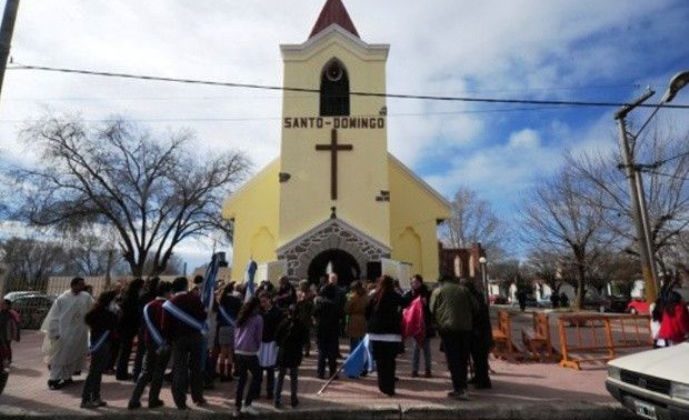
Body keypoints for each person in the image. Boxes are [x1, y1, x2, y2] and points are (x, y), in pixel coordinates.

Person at [161, 277, 207, 410]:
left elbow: (165, 326)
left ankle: (180, 401)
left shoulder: (170, 303)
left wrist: (169, 340)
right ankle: (197, 396)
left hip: (178, 339)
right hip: (195, 337)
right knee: (196, 368)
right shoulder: (194, 298)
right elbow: (203, 316)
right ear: (185, 286)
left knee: (180, 369)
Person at [41, 277, 93, 390]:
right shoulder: (62, 299)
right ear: (73, 285)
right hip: (64, 333)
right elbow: (54, 317)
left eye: (83, 285)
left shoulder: (86, 297)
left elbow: (93, 309)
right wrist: (54, 332)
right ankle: (53, 379)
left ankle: (67, 376)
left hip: (79, 333)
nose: (82, 287)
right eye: (80, 285)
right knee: (59, 357)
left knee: (73, 355)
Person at [431, 275, 478, 400]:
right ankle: (463, 387)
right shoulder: (464, 290)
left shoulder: (438, 291)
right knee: (463, 358)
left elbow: (431, 309)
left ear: (441, 282)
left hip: (448, 330)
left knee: (453, 360)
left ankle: (459, 389)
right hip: (465, 329)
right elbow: (476, 307)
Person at [129, 281, 173, 410]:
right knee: (159, 372)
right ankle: (153, 399)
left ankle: (134, 399)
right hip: (163, 344)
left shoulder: (148, 306)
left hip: (149, 343)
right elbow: (168, 326)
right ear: (166, 292)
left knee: (145, 372)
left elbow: (143, 326)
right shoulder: (167, 306)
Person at [366, 275, 404, 396]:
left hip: (376, 333)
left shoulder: (375, 296)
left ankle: (383, 386)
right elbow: (406, 302)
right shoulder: (394, 295)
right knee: (390, 361)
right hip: (391, 334)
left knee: (380, 361)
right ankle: (390, 388)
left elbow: (367, 311)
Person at [80, 290, 118, 408]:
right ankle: (86, 399)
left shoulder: (94, 312)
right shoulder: (108, 314)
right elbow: (113, 327)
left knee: (96, 372)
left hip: (96, 342)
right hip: (102, 344)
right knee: (94, 372)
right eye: (115, 300)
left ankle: (95, 397)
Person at [273, 304, 308, 409]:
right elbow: (305, 340)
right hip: (295, 354)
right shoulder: (301, 325)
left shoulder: (283, 323)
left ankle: (277, 399)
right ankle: (293, 399)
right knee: (294, 378)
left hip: (283, 353)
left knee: (280, 377)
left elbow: (276, 338)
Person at [234, 297, 264, 416]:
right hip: (250, 351)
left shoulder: (241, 316)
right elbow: (258, 336)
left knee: (242, 379)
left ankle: (237, 407)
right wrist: (257, 347)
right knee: (257, 376)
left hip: (238, 350)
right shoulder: (258, 318)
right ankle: (247, 404)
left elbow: (236, 333)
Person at [463, 279, 493, 389]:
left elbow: (477, 315)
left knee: (480, 358)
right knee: (477, 358)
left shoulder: (475, 298)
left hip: (480, 333)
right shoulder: (476, 296)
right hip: (478, 332)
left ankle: (484, 381)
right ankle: (478, 377)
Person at [403, 274, 434, 378]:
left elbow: (432, 307)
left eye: (416, 282)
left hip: (425, 323)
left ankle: (428, 369)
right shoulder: (410, 294)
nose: (414, 284)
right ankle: (414, 370)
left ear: (421, 282)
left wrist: (426, 304)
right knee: (415, 348)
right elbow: (404, 304)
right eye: (412, 282)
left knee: (426, 349)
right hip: (415, 324)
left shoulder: (427, 293)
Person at [116, 278, 144, 381]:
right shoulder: (133, 298)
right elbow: (133, 314)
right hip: (128, 327)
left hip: (125, 327)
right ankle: (121, 373)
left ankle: (121, 372)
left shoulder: (128, 296)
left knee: (125, 351)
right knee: (125, 351)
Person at [132, 277, 160, 381]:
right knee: (146, 353)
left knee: (142, 352)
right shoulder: (152, 298)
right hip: (150, 328)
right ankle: (144, 374)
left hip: (144, 327)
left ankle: (138, 374)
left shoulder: (144, 296)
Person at [313, 282, 341, 379]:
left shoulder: (320, 304)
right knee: (332, 353)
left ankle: (320, 373)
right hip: (333, 330)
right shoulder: (335, 305)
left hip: (321, 330)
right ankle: (333, 373)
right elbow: (340, 317)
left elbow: (314, 315)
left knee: (322, 352)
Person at [258, 291, 282, 400]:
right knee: (258, 369)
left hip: (271, 342)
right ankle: (256, 391)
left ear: (269, 300)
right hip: (260, 343)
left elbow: (279, 327)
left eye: (264, 301)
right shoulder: (258, 312)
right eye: (261, 302)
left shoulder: (277, 312)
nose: (263, 304)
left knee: (270, 369)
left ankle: (269, 391)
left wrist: (277, 341)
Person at [217, 282, 242, 382]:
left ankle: (222, 375)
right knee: (231, 352)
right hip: (232, 327)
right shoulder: (236, 300)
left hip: (222, 327)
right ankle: (228, 374)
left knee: (222, 353)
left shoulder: (221, 300)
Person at [345, 281, 368, 359]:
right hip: (363, 319)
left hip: (353, 320)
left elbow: (347, 309)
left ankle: (353, 357)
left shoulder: (352, 297)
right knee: (362, 340)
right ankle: (362, 357)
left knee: (354, 341)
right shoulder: (366, 296)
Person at [295, 280, 314, 357]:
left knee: (306, 335)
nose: (301, 287)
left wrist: (305, 300)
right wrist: (299, 300)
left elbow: (312, 306)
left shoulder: (311, 294)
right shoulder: (298, 293)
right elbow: (296, 304)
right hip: (299, 317)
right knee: (299, 335)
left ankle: (307, 350)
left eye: (302, 285)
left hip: (307, 317)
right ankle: (299, 349)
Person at [0, 299, 20, 369]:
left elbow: (16, 325)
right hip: (2, 334)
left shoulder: (10, 314)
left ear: (8, 305)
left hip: (6, 335)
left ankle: (7, 361)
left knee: (6, 347)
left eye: (3, 304)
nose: (1, 305)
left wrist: (16, 336)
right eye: (1, 304)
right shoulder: (2, 312)